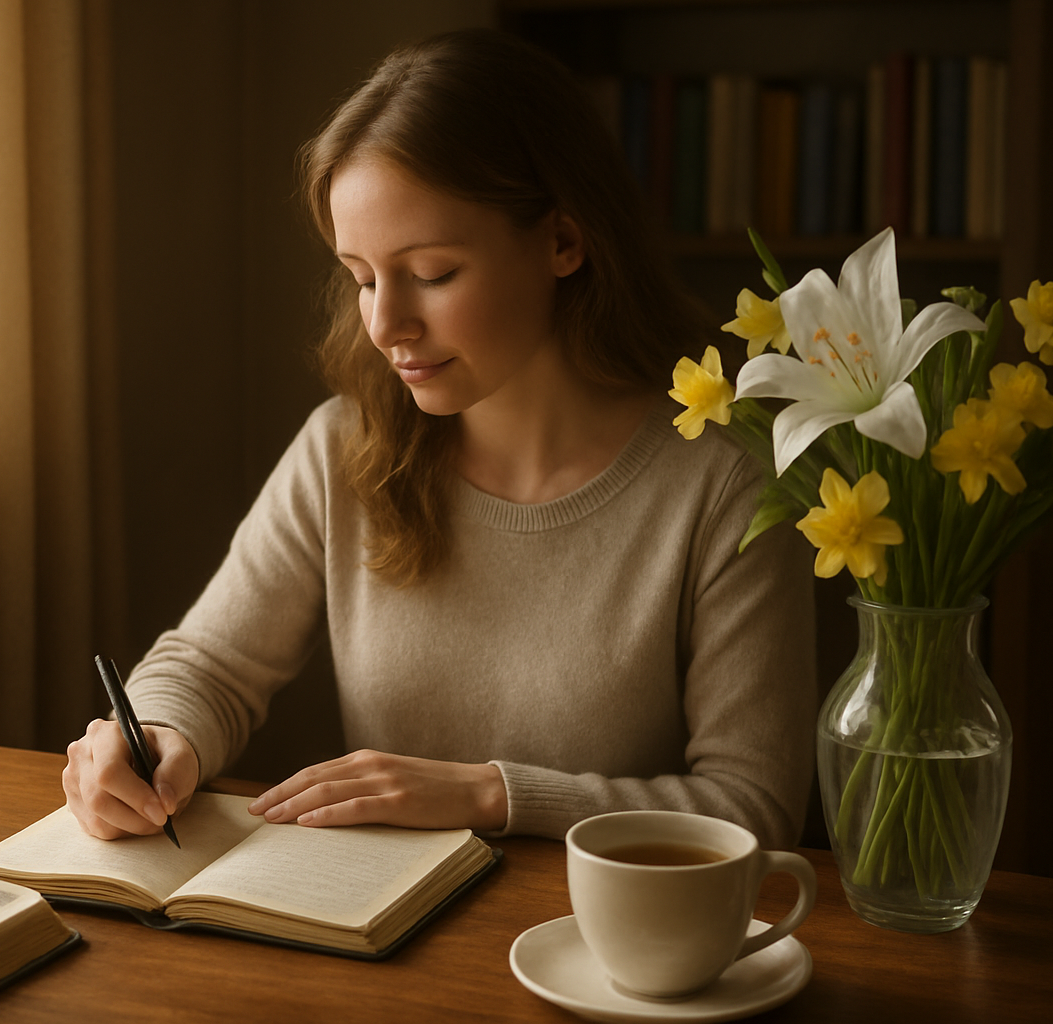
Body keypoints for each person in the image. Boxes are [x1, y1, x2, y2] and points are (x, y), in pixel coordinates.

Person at [63, 28, 816, 849]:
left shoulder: (723, 482)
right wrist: (158, 735)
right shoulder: (341, 448)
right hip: (385, 933)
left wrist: (488, 795)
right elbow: (209, 664)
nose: (387, 324)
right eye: (361, 277)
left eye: (432, 274)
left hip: (610, 953)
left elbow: (753, 805)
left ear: (564, 241)